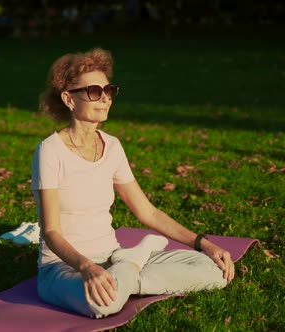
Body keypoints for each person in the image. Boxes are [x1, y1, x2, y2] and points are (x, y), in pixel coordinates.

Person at [31, 48, 235, 319]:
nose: (104, 99)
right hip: (64, 268)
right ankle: (131, 266)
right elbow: (52, 232)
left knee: (215, 271)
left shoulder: (112, 146)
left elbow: (146, 211)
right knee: (103, 304)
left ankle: (126, 270)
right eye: (93, 91)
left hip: (112, 255)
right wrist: (87, 267)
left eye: (108, 91)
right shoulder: (50, 151)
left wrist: (203, 244)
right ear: (69, 99)